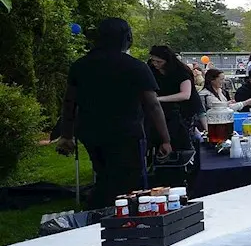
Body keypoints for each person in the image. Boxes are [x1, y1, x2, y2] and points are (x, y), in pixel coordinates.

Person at [55, 18, 172, 210]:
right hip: (126, 132)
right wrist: (165, 139)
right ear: (126, 38)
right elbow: (152, 105)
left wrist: (67, 135)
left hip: (92, 132)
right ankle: (120, 214)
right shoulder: (135, 66)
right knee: (130, 181)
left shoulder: (80, 65)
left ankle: (101, 210)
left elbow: (69, 102)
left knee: (104, 175)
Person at [147, 45, 197, 150]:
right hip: (161, 111)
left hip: (182, 112)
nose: (155, 64)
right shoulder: (151, 69)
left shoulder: (181, 71)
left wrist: (158, 99)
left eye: (159, 62)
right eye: (153, 60)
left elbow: (185, 94)